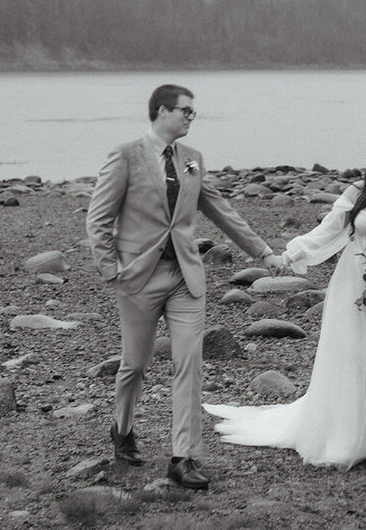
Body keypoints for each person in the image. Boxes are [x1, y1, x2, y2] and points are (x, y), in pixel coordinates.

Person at [204, 132, 366, 469]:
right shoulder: (358, 194)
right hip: (353, 284)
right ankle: (352, 434)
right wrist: (290, 254)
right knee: (354, 354)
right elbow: (328, 231)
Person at [86, 84, 285, 490]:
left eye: (193, 112)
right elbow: (99, 218)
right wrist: (112, 270)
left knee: (188, 364)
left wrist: (263, 252)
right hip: (138, 279)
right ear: (162, 111)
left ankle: (184, 457)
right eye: (186, 111)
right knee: (135, 365)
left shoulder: (192, 160)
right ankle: (122, 428)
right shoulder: (125, 155)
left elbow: (221, 211)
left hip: (185, 277)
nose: (192, 117)